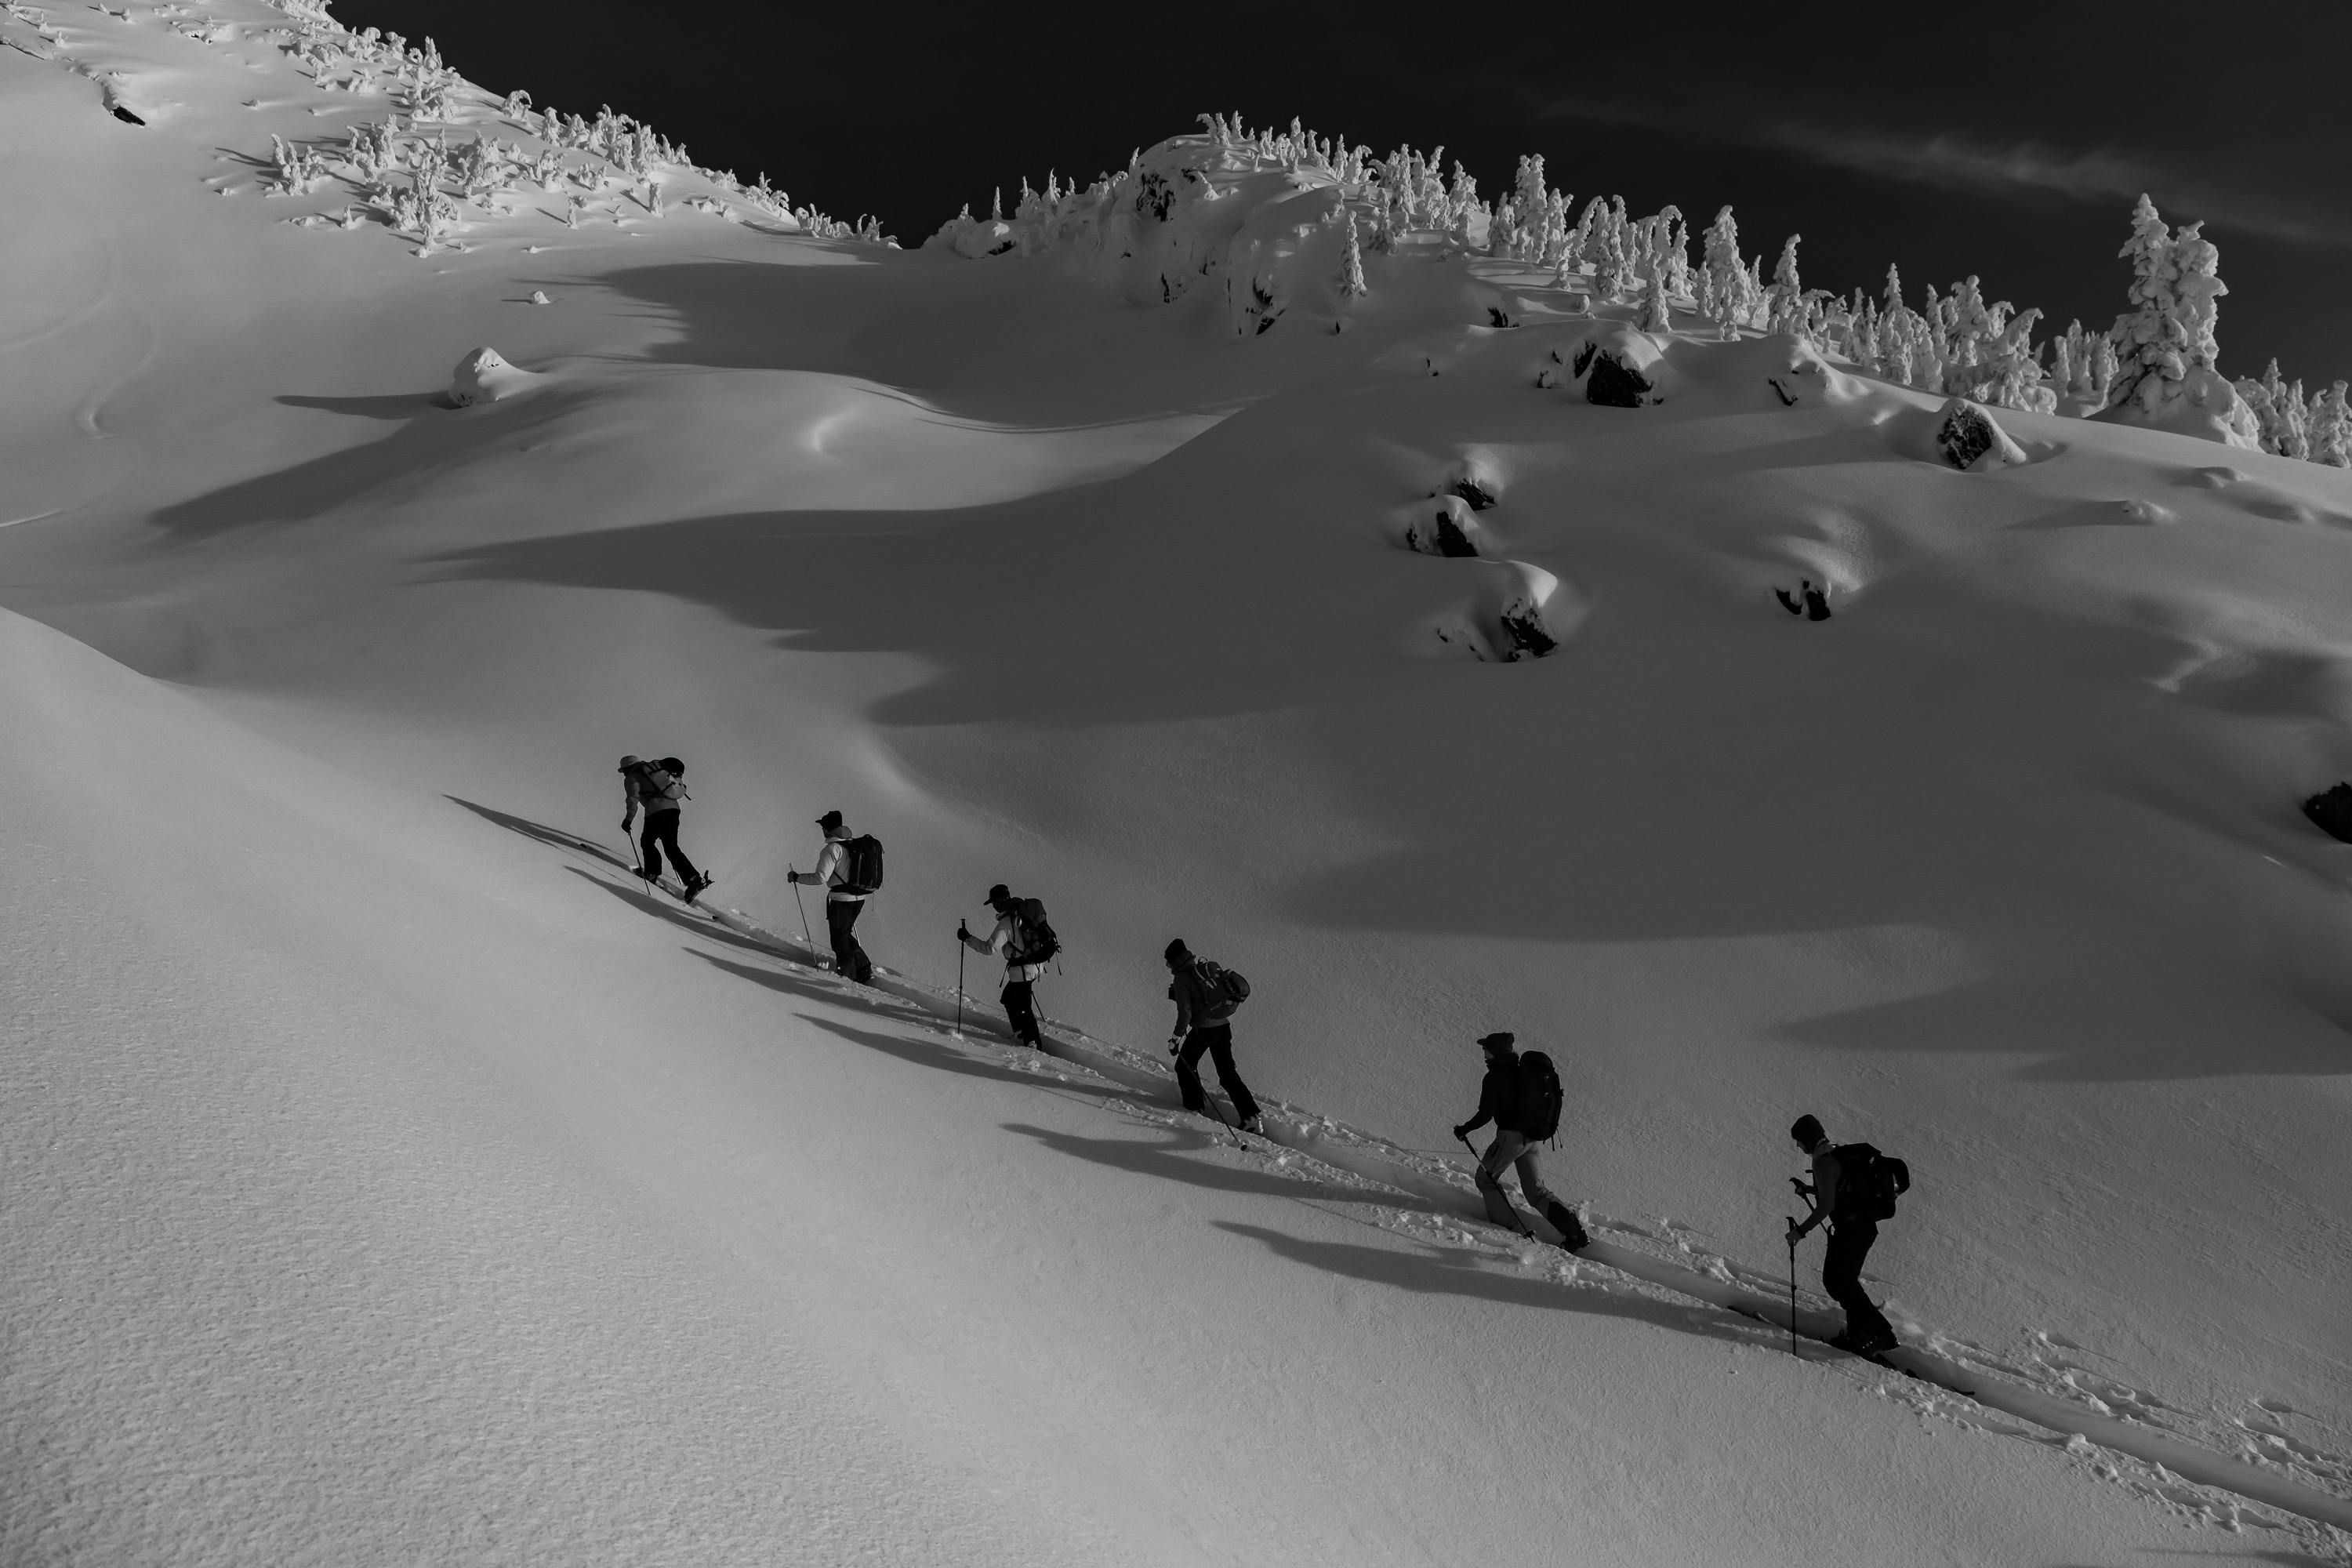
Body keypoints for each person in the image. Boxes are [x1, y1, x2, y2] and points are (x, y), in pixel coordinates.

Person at [1452, 1031, 1585, 1246]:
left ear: (1495, 1052)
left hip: (1510, 1139)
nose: (1483, 1052)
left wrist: (1464, 1129)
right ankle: (1576, 1234)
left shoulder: (1495, 1077)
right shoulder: (1522, 1073)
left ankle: (1509, 1230)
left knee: (1485, 1179)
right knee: (1536, 1191)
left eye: (1486, 1049)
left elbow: (1485, 1114)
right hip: (1532, 1139)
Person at [1786, 1113, 1899, 1354]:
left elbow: (1826, 1206)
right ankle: (1861, 1335)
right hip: (1862, 1228)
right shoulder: (1833, 1153)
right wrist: (1808, 1188)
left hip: (1852, 1231)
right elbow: (1837, 1191)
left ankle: (1880, 1334)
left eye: (1798, 1140)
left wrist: (1800, 1232)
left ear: (1807, 1138)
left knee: (1836, 1282)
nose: (1797, 1145)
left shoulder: (1822, 1162)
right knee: (1845, 1282)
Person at [1163, 938, 1261, 1134]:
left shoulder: (1182, 978)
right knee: (1227, 1074)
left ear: (1173, 961)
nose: (1168, 966)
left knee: (1184, 1066)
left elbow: (1185, 1012)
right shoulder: (1204, 968)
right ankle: (1251, 1118)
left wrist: (1176, 1038)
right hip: (1223, 1027)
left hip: (1204, 1030)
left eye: (1168, 962)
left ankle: (1195, 1108)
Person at [788, 811, 873, 983]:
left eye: (823, 826)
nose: (822, 830)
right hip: (859, 897)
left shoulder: (832, 849)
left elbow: (820, 878)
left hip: (841, 900)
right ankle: (863, 969)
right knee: (844, 934)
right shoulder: (853, 844)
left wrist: (797, 877)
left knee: (839, 939)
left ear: (828, 829)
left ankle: (847, 974)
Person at [960, 884, 1047, 1048]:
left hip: (1023, 970)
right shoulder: (1024, 914)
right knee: (1009, 998)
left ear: (999, 902)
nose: (993, 907)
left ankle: (1032, 1042)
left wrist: (968, 938)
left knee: (1022, 1005)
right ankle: (1022, 1034)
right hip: (1036, 965)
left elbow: (989, 948)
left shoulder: (1007, 922)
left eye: (993, 903)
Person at [618, 755, 709, 898]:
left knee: (647, 841)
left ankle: (651, 873)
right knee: (671, 846)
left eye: (623, 771)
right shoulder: (654, 768)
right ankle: (694, 879)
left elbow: (632, 799)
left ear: (627, 769)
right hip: (673, 810)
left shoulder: (632, 777)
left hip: (655, 811)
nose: (624, 774)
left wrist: (628, 820)